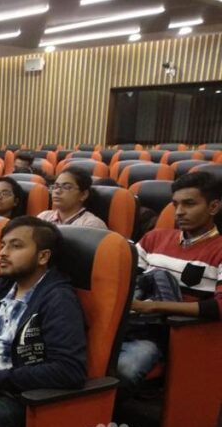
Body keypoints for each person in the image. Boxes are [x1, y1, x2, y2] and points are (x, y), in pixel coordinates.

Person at [0, 216, 87, 427]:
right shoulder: (4, 284)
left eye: (16, 246)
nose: (3, 253)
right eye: (3, 245)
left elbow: (69, 370)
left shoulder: (59, 299)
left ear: (43, 256)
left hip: (17, 399)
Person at [117, 171, 222, 394]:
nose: (179, 212)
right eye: (175, 204)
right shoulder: (154, 237)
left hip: (174, 333)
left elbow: (219, 307)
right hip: (131, 320)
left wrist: (154, 307)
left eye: (189, 204)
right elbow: (130, 280)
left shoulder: (219, 249)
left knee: (124, 369)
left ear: (213, 207)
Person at [37, 166, 107, 230]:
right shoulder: (43, 217)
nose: (57, 191)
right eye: (56, 186)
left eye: (67, 187)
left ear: (84, 195)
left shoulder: (92, 225)